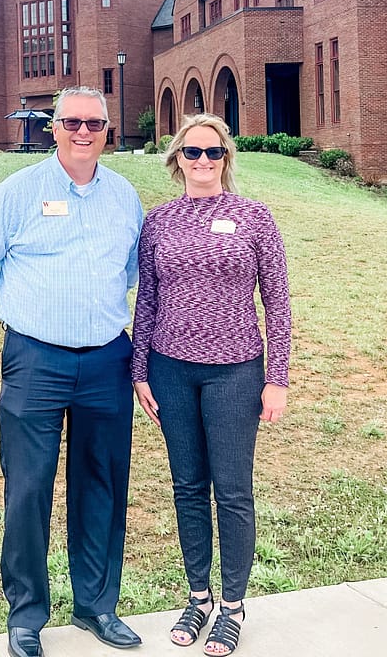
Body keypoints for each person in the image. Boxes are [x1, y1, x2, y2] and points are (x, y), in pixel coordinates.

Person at [0, 86, 144, 657]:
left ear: (107, 130)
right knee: (29, 487)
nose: (83, 131)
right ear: (54, 127)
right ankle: (26, 615)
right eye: (72, 122)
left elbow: (133, 270)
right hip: (35, 360)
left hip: (108, 360)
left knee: (102, 486)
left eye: (94, 122)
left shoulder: (124, 197)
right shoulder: (19, 191)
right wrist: (23, 319)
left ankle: (96, 606)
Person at [131, 113, 291, 656]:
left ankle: (232, 606)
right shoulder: (158, 221)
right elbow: (147, 298)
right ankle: (197, 597)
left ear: (227, 159)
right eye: (192, 153)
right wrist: (138, 370)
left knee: (233, 491)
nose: (203, 162)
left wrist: (277, 378)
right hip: (170, 369)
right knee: (187, 487)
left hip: (236, 371)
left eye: (213, 152)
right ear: (177, 159)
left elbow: (278, 302)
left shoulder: (254, 217)